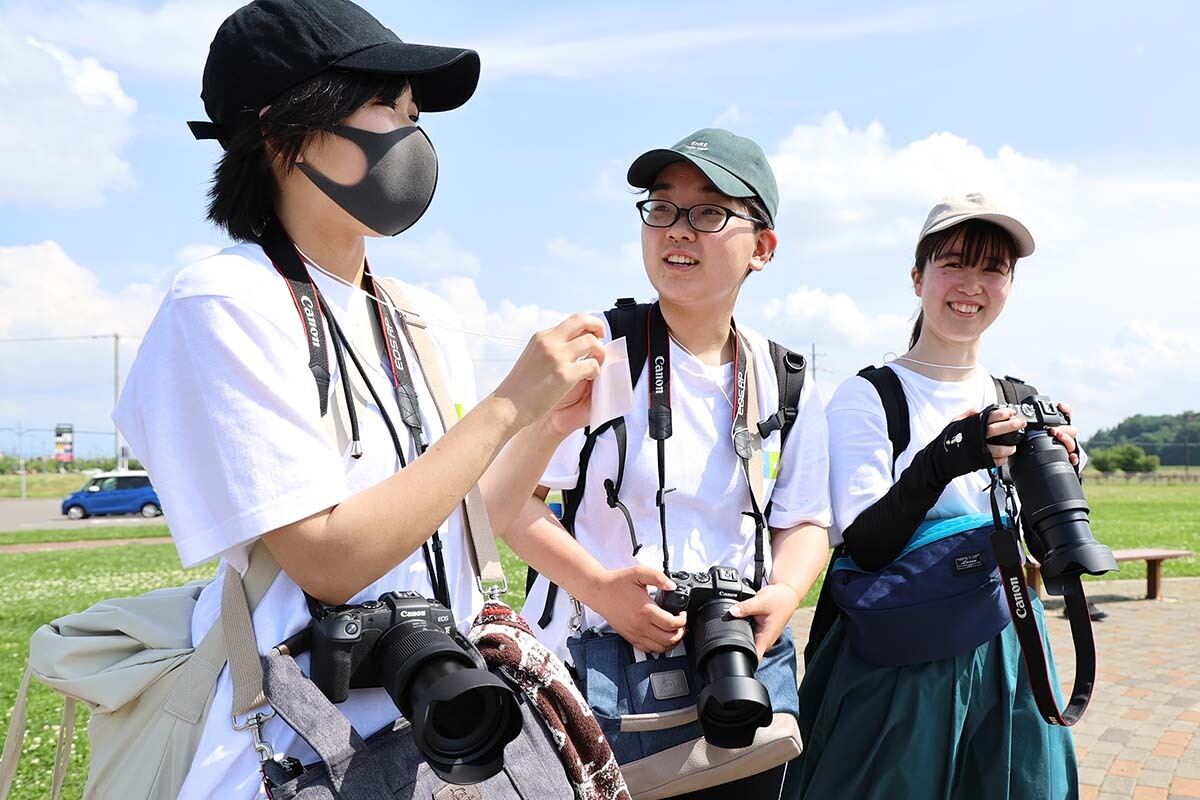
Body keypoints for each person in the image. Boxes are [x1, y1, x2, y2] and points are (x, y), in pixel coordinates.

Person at [113, 2, 603, 797]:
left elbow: (466, 526)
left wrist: (544, 423)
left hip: (450, 731)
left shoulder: (418, 314)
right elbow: (329, 559)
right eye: (387, 107)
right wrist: (507, 406)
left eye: (415, 115)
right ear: (282, 133)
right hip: (297, 745)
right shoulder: (223, 303)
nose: (412, 135)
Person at [487, 128, 832, 798]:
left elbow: (807, 520)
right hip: (595, 680)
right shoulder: (598, 350)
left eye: (708, 212)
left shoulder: (784, 377)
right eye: (662, 208)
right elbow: (509, 505)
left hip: (733, 672)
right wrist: (603, 590)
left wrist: (782, 597)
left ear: (763, 247)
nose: (678, 229)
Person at [787, 194, 1081, 799]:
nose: (971, 285)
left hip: (1009, 640)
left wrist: (1061, 473)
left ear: (1010, 285)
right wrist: (948, 456)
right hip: (897, 651)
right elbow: (865, 543)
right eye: (953, 264)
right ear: (917, 277)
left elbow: (1042, 544)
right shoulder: (871, 396)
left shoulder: (1018, 396)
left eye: (994, 269)